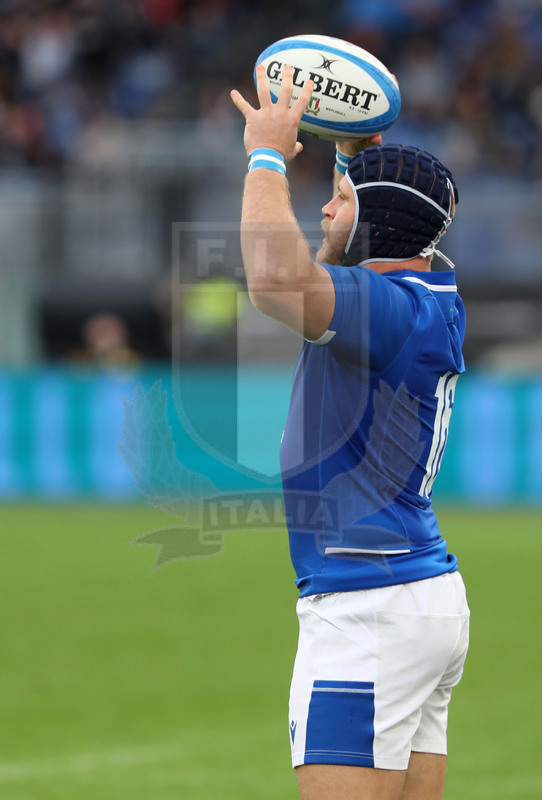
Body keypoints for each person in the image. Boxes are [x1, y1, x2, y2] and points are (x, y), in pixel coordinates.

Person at [230, 65, 469, 800]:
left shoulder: (382, 308)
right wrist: (347, 152)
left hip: (368, 611)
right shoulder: (424, 294)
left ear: (373, 225)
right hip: (422, 598)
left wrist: (268, 153)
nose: (325, 209)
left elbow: (275, 280)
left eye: (337, 199)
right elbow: (335, 251)